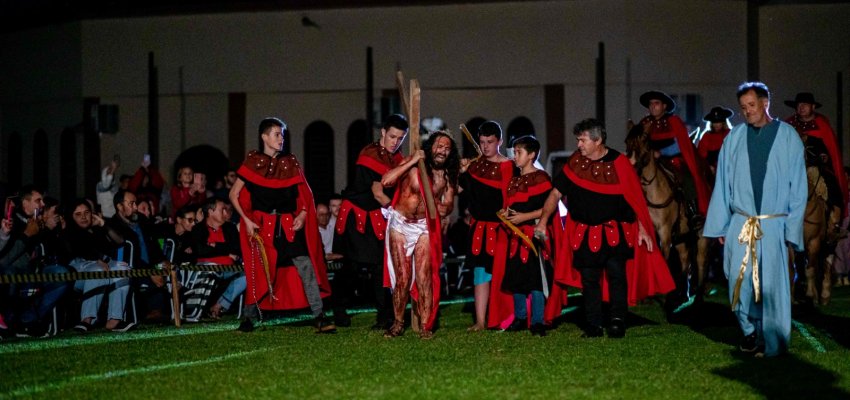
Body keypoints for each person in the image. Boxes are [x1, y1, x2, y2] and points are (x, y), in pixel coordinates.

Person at [536, 119, 674, 338]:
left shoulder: (620, 163)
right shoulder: (575, 162)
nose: (579, 145)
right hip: (584, 233)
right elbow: (555, 193)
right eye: (578, 140)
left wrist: (641, 228)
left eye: (583, 140)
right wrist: (543, 221)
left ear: (598, 140)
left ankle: (617, 320)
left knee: (617, 275)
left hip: (615, 232)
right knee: (589, 280)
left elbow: (634, 200)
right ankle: (594, 324)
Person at [704, 82, 807, 357]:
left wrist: (791, 229)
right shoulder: (734, 138)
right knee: (739, 282)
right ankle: (750, 331)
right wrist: (722, 224)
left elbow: (798, 187)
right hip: (742, 222)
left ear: (765, 103)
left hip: (774, 224)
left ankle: (772, 341)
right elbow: (723, 183)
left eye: (751, 105)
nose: (747, 111)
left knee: (771, 285)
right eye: (743, 107)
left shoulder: (788, 136)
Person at [229, 117, 334, 333]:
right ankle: (248, 318)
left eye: (282, 135)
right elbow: (234, 194)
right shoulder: (252, 162)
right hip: (263, 228)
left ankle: (320, 317)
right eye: (277, 134)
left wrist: (302, 215)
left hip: (287, 227)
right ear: (264, 137)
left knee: (306, 267)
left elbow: (304, 196)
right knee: (258, 270)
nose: (281, 139)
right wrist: (247, 220)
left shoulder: (290, 163)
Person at [381, 130, 459, 339]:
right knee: (403, 277)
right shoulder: (413, 163)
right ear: (430, 147)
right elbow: (386, 181)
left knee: (425, 277)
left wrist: (442, 207)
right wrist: (413, 160)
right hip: (400, 224)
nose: (442, 151)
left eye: (447, 148)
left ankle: (426, 325)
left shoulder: (447, 175)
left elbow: (448, 205)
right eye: (439, 146)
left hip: (424, 227)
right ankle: (398, 323)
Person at [334, 114, 408, 330]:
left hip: (377, 216)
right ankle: (338, 309)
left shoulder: (397, 158)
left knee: (380, 266)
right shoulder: (370, 153)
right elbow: (378, 193)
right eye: (392, 136)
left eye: (400, 138)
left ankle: (384, 316)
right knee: (352, 266)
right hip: (357, 216)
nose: (395, 142)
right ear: (383, 132)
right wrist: (399, 213)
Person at [457, 120, 515, 332]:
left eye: (490, 142)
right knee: (480, 274)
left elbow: (510, 200)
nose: (485, 146)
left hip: (501, 229)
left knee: (502, 274)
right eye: (482, 142)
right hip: (478, 229)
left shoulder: (508, 166)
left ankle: (503, 317)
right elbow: (458, 190)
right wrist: (461, 171)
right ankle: (480, 321)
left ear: (499, 141)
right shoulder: (475, 166)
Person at [499, 136, 552, 336]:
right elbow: (511, 206)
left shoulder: (541, 178)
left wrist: (524, 217)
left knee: (535, 278)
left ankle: (537, 320)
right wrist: (506, 213)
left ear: (531, 155)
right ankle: (520, 317)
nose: (515, 156)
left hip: (533, 236)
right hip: (516, 237)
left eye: (519, 152)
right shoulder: (514, 181)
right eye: (514, 152)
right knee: (517, 277)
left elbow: (548, 208)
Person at [64, 198, 136, 333]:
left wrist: (103, 224)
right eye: (78, 214)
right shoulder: (68, 231)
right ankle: (87, 320)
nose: (83, 217)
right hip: (79, 271)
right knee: (98, 270)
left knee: (123, 269)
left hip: (103, 266)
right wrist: (99, 259)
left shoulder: (97, 230)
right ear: (71, 217)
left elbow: (120, 241)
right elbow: (78, 251)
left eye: (86, 212)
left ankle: (114, 319)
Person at [639, 90, 711, 220]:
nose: (653, 106)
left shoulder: (674, 121)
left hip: (673, 160)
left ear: (664, 106)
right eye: (651, 104)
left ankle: (693, 211)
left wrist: (661, 152)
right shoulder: (645, 123)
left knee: (688, 178)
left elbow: (680, 145)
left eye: (656, 103)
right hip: (651, 162)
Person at [784, 92, 847, 220]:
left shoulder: (822, 125)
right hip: (792, 168)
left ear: (813, 107)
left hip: (817, 167)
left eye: (805, 104)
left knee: (830, 186)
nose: (801, 107)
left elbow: (831, 152)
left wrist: (823, 158)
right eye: (799, 105)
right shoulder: (789, 124)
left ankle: (833, 220)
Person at [188, 197, 245, 321]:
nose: (226, 212)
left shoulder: (230, 228)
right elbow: (200, 251)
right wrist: (227, 252)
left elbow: (237, 248)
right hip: (206, 268)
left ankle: (218, 305)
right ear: (210, 211)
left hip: (229, 269)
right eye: (222, 209)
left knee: (249, 274)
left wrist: (215, 245)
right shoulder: (198, 229)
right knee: (210, 270)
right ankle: (199, 310)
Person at [697, 106, 733, 185]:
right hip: (710, 173)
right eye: (714, 122)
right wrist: (708, 167)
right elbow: (701, 155)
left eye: (718, 121)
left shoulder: (730, 134)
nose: (716, 124)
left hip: (728, 171)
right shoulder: (706, 136)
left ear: (723, 122)